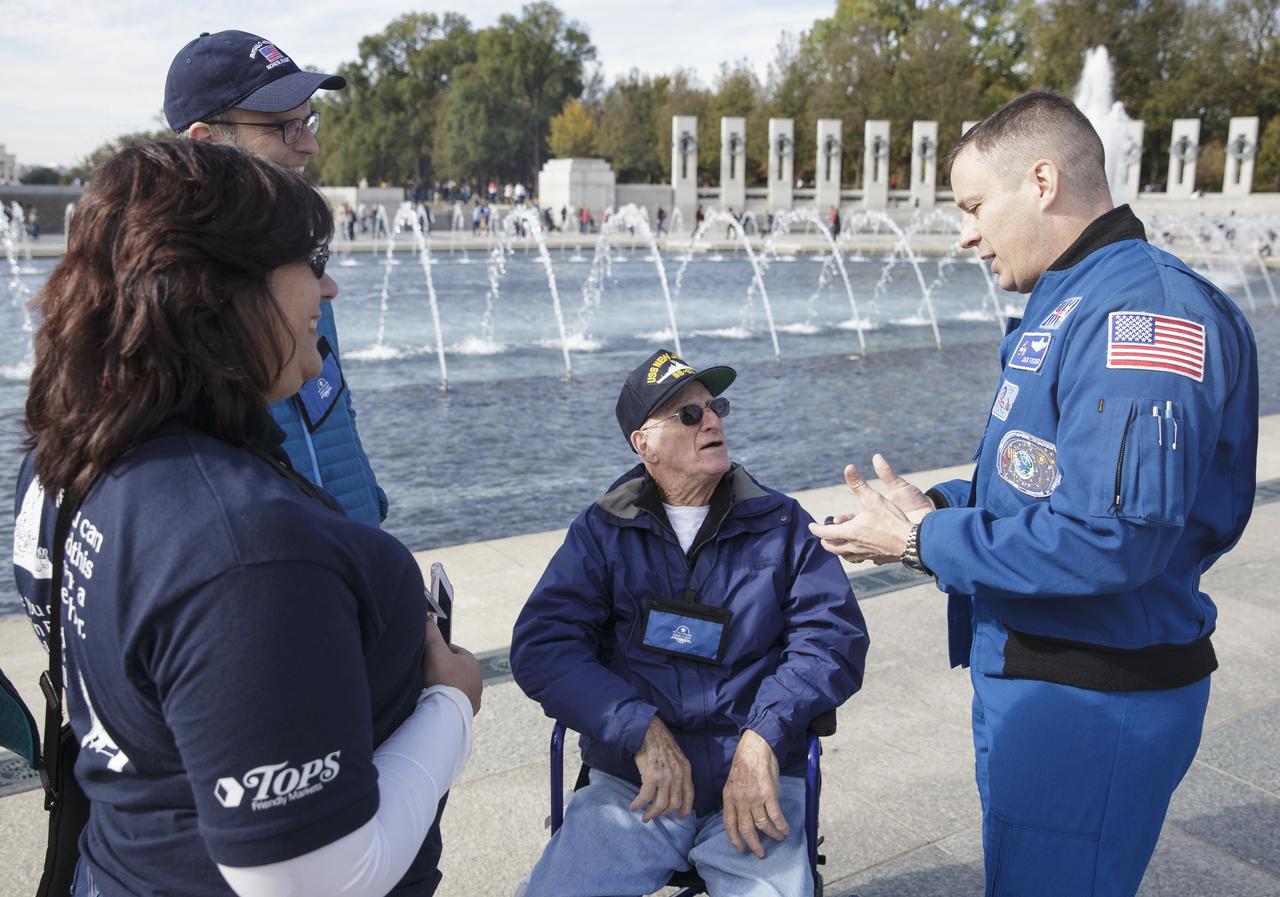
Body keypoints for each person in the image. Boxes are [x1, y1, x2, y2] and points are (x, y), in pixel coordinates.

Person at [810, 90, 1258, 897]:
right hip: (1045, 674)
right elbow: (1042, 476)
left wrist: (917, 543)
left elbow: (1110, 536)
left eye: (976, 205)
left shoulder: (1140, 311)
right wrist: (938, 507)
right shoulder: (1075, 295)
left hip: (1092, 692)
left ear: (1043, 181)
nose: (965, 232)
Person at [12, 140, 483, 897]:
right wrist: (451, 704)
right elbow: (313, 879)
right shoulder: (242, 548)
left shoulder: (64, 456)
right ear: (219, 293)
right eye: (308, 260)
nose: (327, 288)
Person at [511, 349, 869, 897]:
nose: (712, 421)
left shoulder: (780, 523)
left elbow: (832, 639)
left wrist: (763, 735)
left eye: (714, 406)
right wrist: (636, 727)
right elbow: (544, 646)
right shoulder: (603, 531)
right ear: (643, 443)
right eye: (688, 415)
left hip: (755, 777)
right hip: (634, 784)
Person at [164, 30, 387, 528]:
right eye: (283, 127)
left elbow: (332, 413)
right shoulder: (170, 302)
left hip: (348, 566)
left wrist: (368, 519)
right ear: (205, 144)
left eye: (307, 120)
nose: (309, 144)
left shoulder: (299, 265)